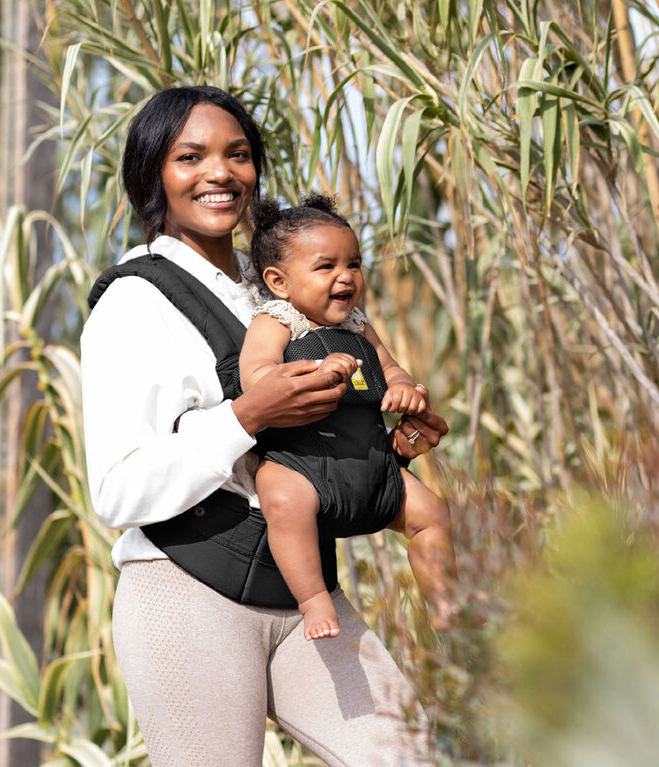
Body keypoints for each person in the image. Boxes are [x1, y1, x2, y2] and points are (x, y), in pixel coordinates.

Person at [81, 84, 449, 767]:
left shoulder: (285, 283)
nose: (219, 172)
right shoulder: (135, 302)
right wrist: (247, 414)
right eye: (189, 156)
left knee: (412, 756)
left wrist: (396, 433)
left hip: (306, 591)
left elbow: (332, 426)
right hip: (187, 593)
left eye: (238, 154)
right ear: (151, 175)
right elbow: (116, 490)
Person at [239, 196, 456, 640]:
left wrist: (403, 388)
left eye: (354, 264)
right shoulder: (277, 321)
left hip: (372, 464)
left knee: (433, 513)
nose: (346, 276)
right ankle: (314, 598)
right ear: (279, 282)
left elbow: (390, 366)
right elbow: (256, 377)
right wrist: (315, 372)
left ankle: (444, 599)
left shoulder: (358, 325)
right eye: (326, 267)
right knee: (281, 500)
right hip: (303, 464)